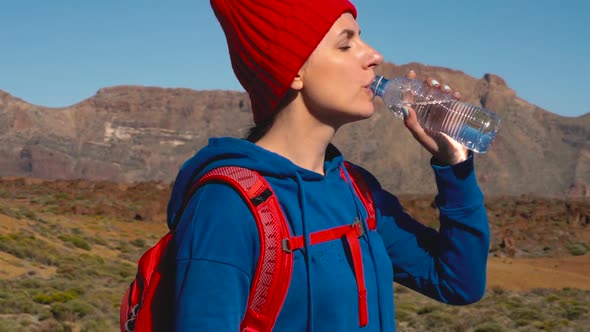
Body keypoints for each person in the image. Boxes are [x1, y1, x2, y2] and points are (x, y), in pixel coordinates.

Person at [167, 0, 490, 330]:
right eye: (346, 44)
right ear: (293, 71)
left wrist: (454, 164)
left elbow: (458, 283)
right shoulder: (227, 206)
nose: (374, 56)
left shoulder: (355, 190)